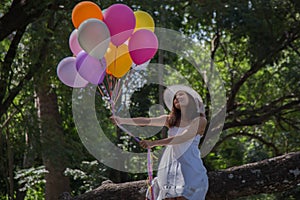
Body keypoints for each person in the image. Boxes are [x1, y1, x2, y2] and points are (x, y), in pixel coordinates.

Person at [111, 85, 208, 200]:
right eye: (175, 97)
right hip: (170, 163)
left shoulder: (200, 120)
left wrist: (154, 143)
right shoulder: (171, 120)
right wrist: (122, 120)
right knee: (168, 196)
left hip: (190, 164)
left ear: (190, 99)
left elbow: (182, 138)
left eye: (181, 95)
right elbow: (147, 121)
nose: (177, 98)